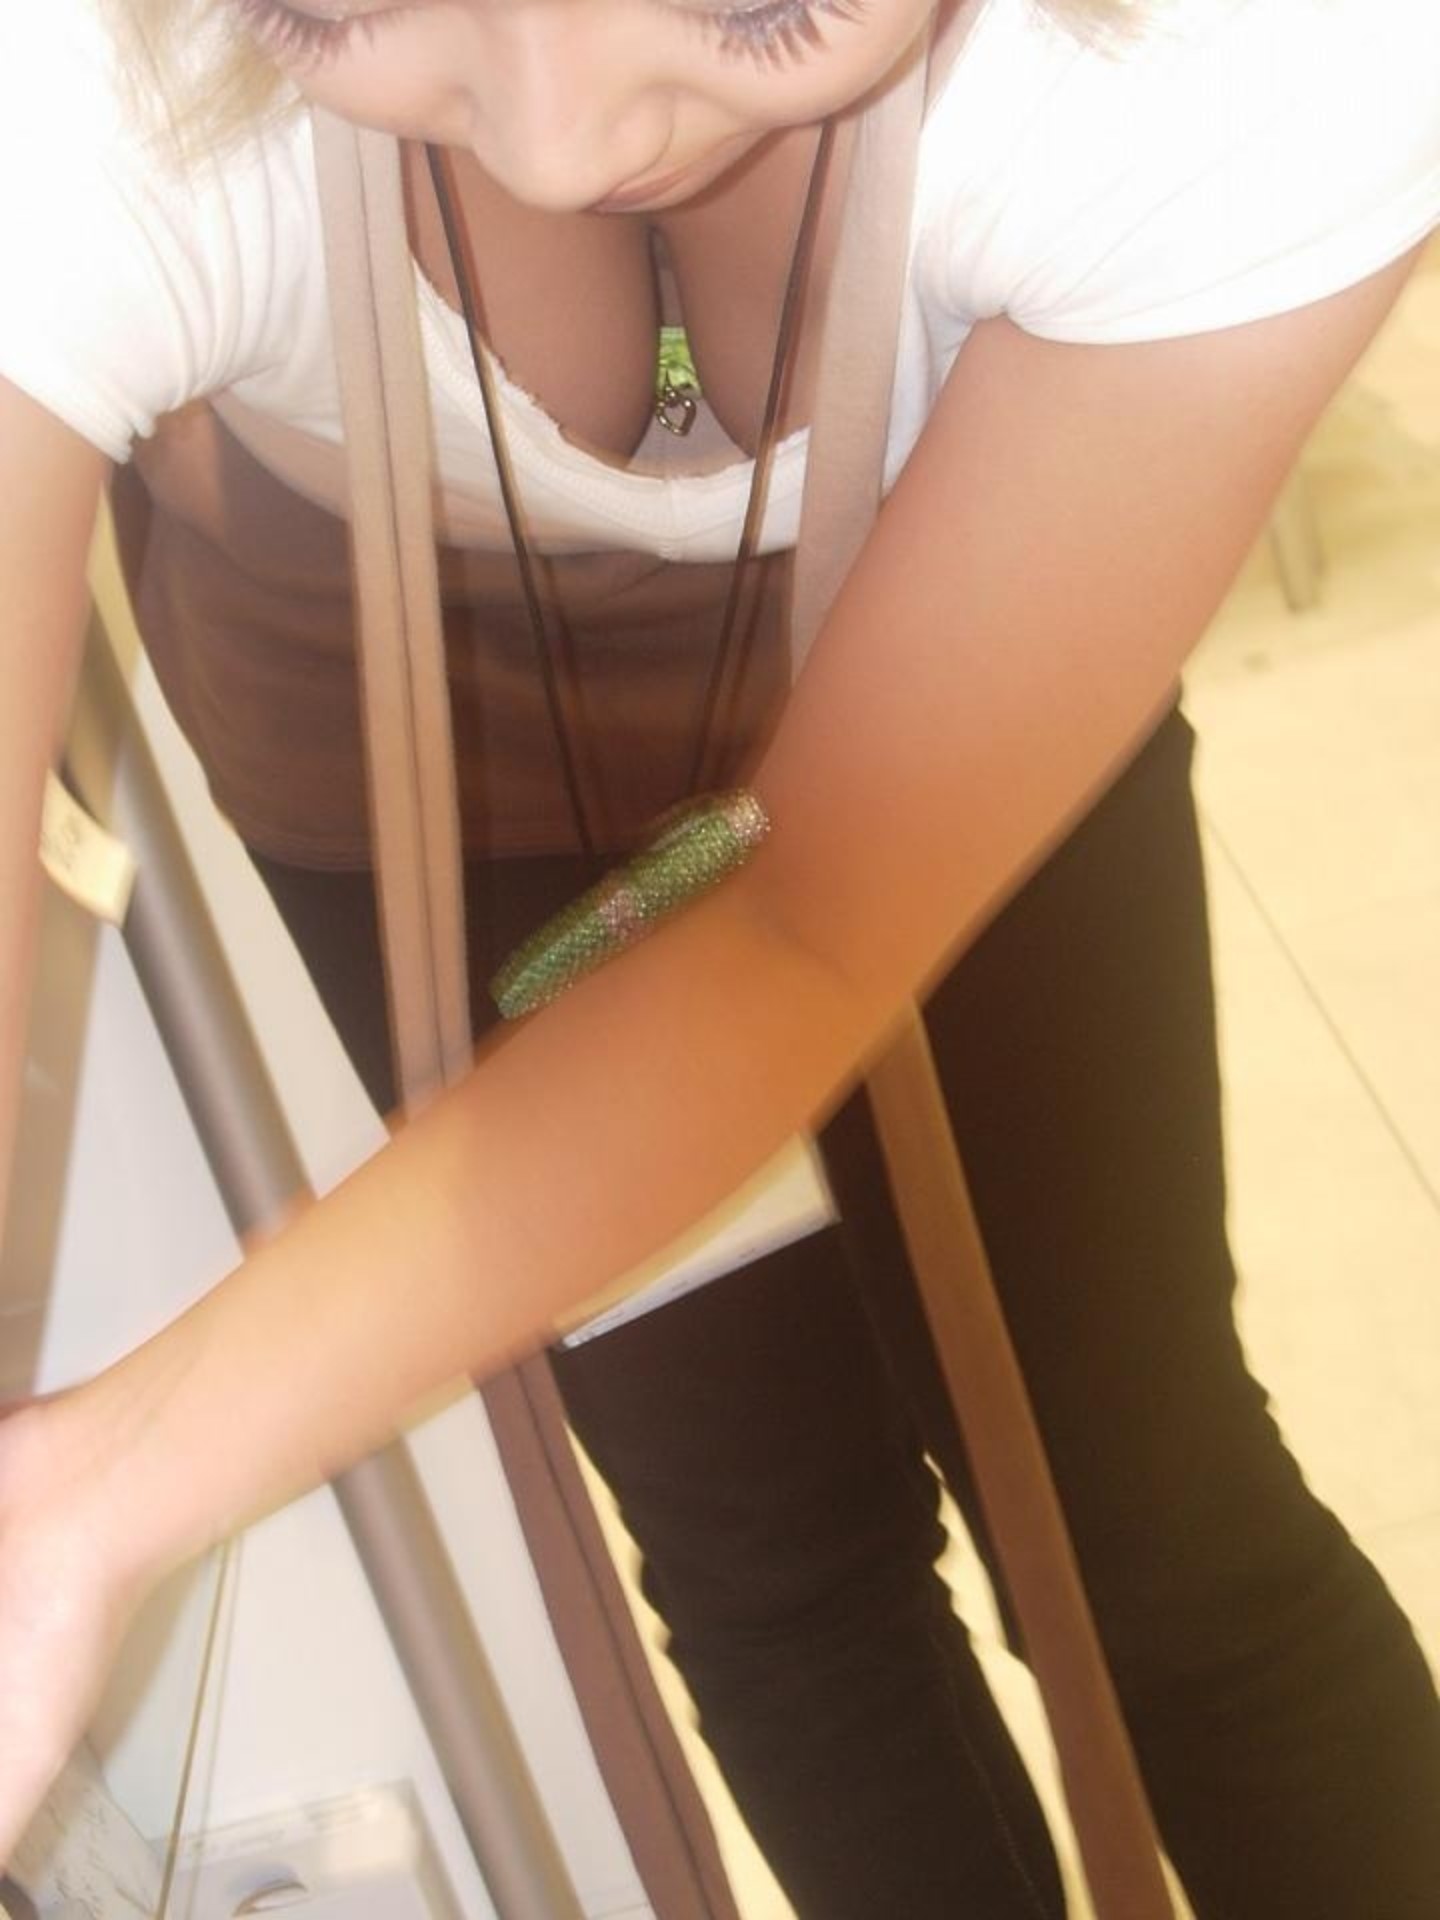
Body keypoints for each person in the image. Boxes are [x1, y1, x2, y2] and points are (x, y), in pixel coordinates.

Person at [1, 0, 1438, 1913]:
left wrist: (97, 1496)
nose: (562, 146)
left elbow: (808, 919)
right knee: (774, 1565)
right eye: (336, 6)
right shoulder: (83, 62)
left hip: (958, 617)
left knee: (1152, 1511)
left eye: (758, 7)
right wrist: (75, 1512)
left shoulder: (1238, 46)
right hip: (416, 744)